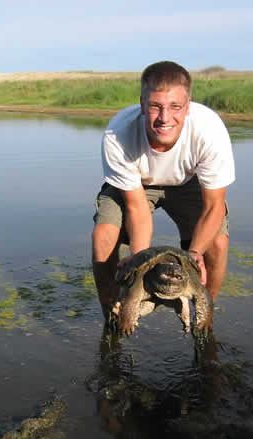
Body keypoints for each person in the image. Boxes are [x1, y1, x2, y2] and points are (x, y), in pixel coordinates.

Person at [91, 61, 235, 321]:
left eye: (175, 107)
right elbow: (136, 207)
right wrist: (139, 259)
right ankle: (113, 316)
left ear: (188, 106)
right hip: (138, 185)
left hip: (188, 182)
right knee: (103, 234)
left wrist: (193, 256)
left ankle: (205, 317)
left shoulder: (209, 130)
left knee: (218, 242)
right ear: (142, 104)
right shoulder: (119, 133)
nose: (164, 118)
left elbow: (214, 206)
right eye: (155, 106)